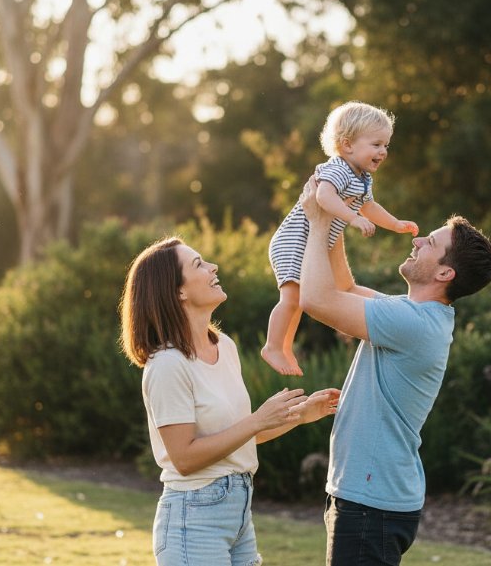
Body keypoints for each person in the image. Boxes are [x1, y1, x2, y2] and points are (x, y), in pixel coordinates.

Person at [297, 177, 491, 566]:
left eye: (431, 243)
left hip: (371, 502)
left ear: (445, 274)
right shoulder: (414, 315)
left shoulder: (414, 323)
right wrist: (338, 219)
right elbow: (343, 285)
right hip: (370, 497)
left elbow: (316, 298)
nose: (418, 240)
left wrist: (319, 222)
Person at [119, 237, 341, 566]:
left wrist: (299, 415)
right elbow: (184, 458)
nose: (213, 267)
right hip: (192, 520)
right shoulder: (167, 364)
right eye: (198, 264)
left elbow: (237, 438)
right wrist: (257, 419)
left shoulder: (224, 346)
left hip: (238, 512)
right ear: (178, 291)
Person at [263, 101, 418, 376]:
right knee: (290, 298)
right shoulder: (338, 168)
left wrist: (394, 224)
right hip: (294, 240)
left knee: (299, 299)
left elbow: (369, 206)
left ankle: (284, 347)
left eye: (385, 145)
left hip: (313, 241)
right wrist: (354, 218)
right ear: (347, 145)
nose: (383, 151)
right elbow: (323, 196)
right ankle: (272, 346)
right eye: (376, 144)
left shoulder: (363, 178)